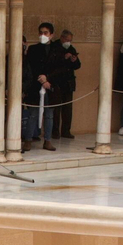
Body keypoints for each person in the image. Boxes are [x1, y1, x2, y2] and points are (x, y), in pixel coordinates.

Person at [22, 21, 68, 151]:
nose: (43, 35)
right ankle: (28, 140)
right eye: (41, 33)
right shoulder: (33, 49)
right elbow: (30, 68)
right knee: (33, 114)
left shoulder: (58, 50)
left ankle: (47, 140)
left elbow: (61, 69)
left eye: (46, 33)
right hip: (35, 87)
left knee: (49, 115)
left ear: (52, 35)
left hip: (51, 87)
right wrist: (41, 80)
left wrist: (49, 80)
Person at [56, 30, 82, 140]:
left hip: (68, 83)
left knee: (68, 108)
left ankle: (66, 130)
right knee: (56, 108)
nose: (68, 42)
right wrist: (64, 58)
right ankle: (55, 131)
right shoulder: (55, 46)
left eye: (70, 40)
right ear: (62, 38)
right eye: (67, 40)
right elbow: (53, 62)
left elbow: (77, 65)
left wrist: (74, 60)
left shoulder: (71, 49)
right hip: (57, 82)